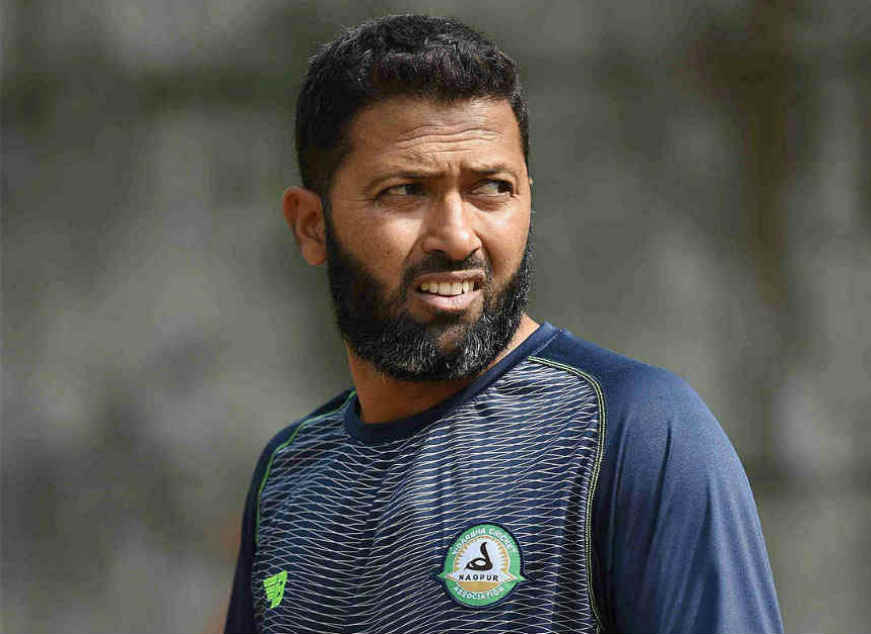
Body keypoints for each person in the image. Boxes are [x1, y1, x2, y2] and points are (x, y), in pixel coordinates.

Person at [225, 14, 783, 634]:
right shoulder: (292, 478)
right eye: (405, 191)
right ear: (312, 226)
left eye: (491, 188)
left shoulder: (634, 431)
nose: (457, 236)